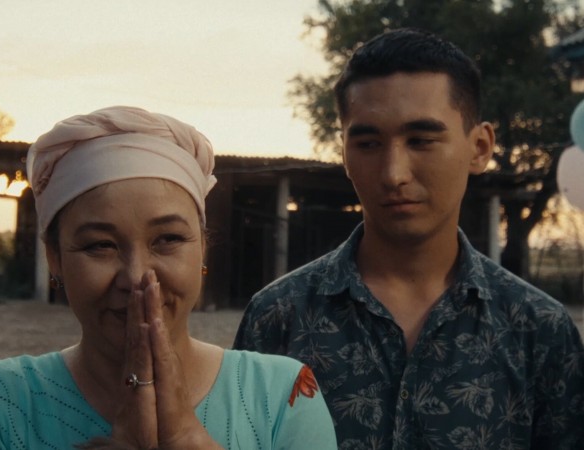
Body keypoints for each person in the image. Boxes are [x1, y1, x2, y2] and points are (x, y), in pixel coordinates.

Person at [234, 28, 584, 449]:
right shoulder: (277, 319)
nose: (393, 173)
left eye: (421, 140)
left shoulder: (538, 330)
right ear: (343, 152)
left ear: (479, 147)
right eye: (368, 143)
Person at [0, 106, 337, 450]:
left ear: (203, 249)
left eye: (167, 239)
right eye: (101, 245)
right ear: (55, 258)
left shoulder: (282, 396)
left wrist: (185, 439)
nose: (137, 277)